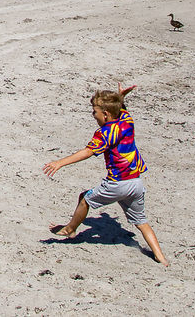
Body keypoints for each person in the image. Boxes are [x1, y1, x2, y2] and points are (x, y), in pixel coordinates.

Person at [42, 84, 168, 266]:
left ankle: (69, 229)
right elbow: (121, 110)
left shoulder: (105, 133)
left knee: (85, 199)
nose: (94, 115)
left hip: (117, 184)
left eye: (95, 112)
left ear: (106, 114)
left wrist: (59, 163)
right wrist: (120, 98)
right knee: (141, 222)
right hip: (136, 183)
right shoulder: (127, 121)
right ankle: (161, 257)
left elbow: (88, 152)